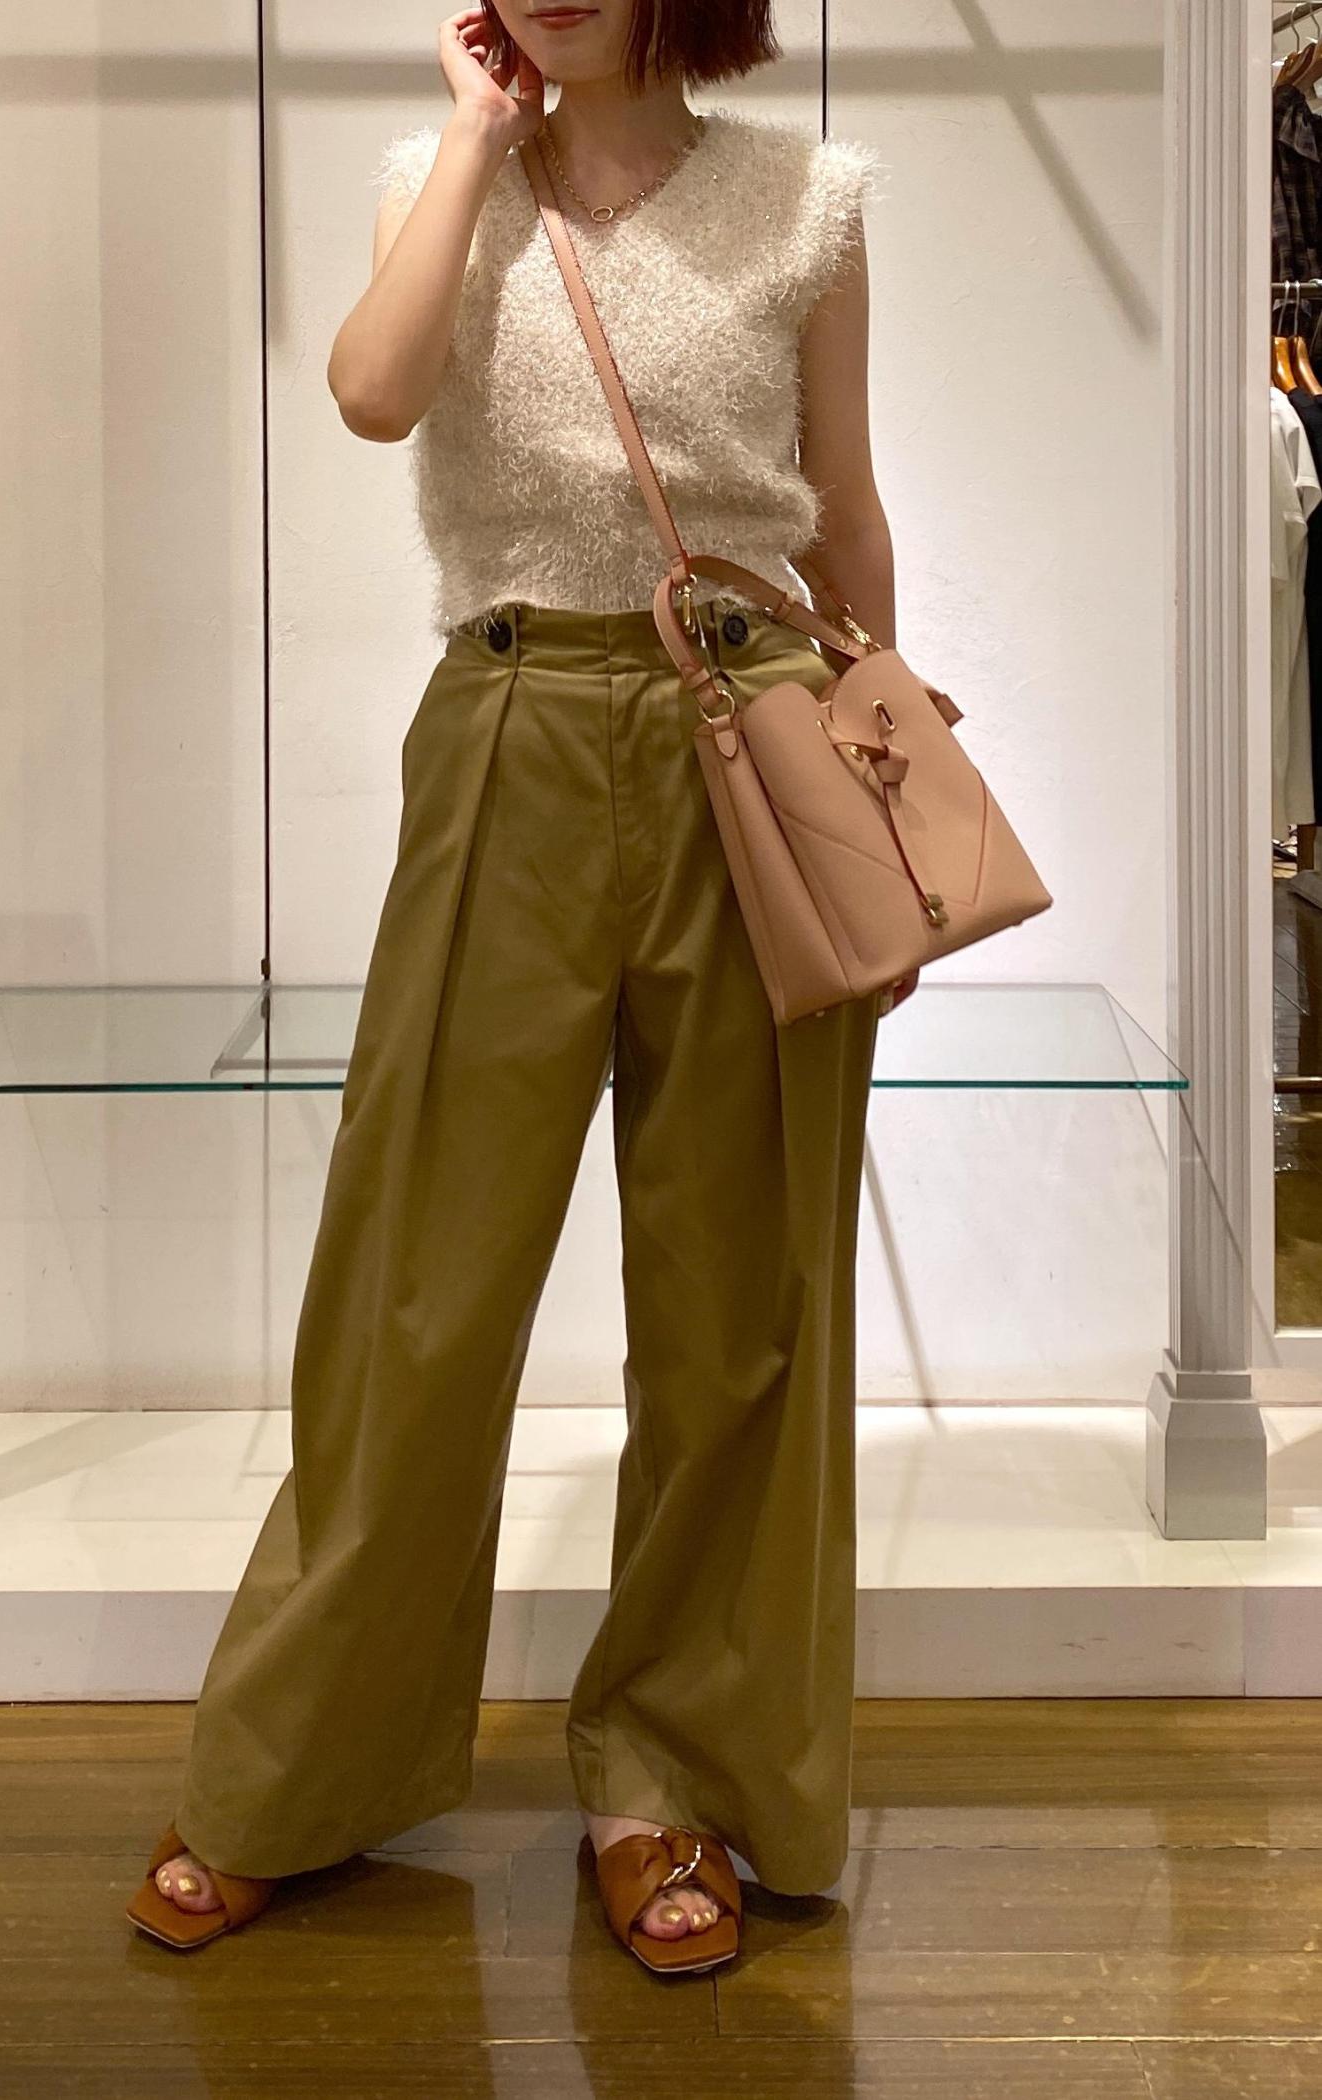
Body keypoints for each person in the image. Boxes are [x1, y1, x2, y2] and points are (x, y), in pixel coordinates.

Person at [125, 0, 914, 1974]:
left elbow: (843, 504)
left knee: (743, 1310)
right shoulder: (440, 180)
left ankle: (674, 1780)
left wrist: (879, 787)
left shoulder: (811, 203)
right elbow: (371, 392)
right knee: (416, 1285)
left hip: (756, 733)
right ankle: (296, 1769)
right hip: (510, 727)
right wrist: (480, 141)